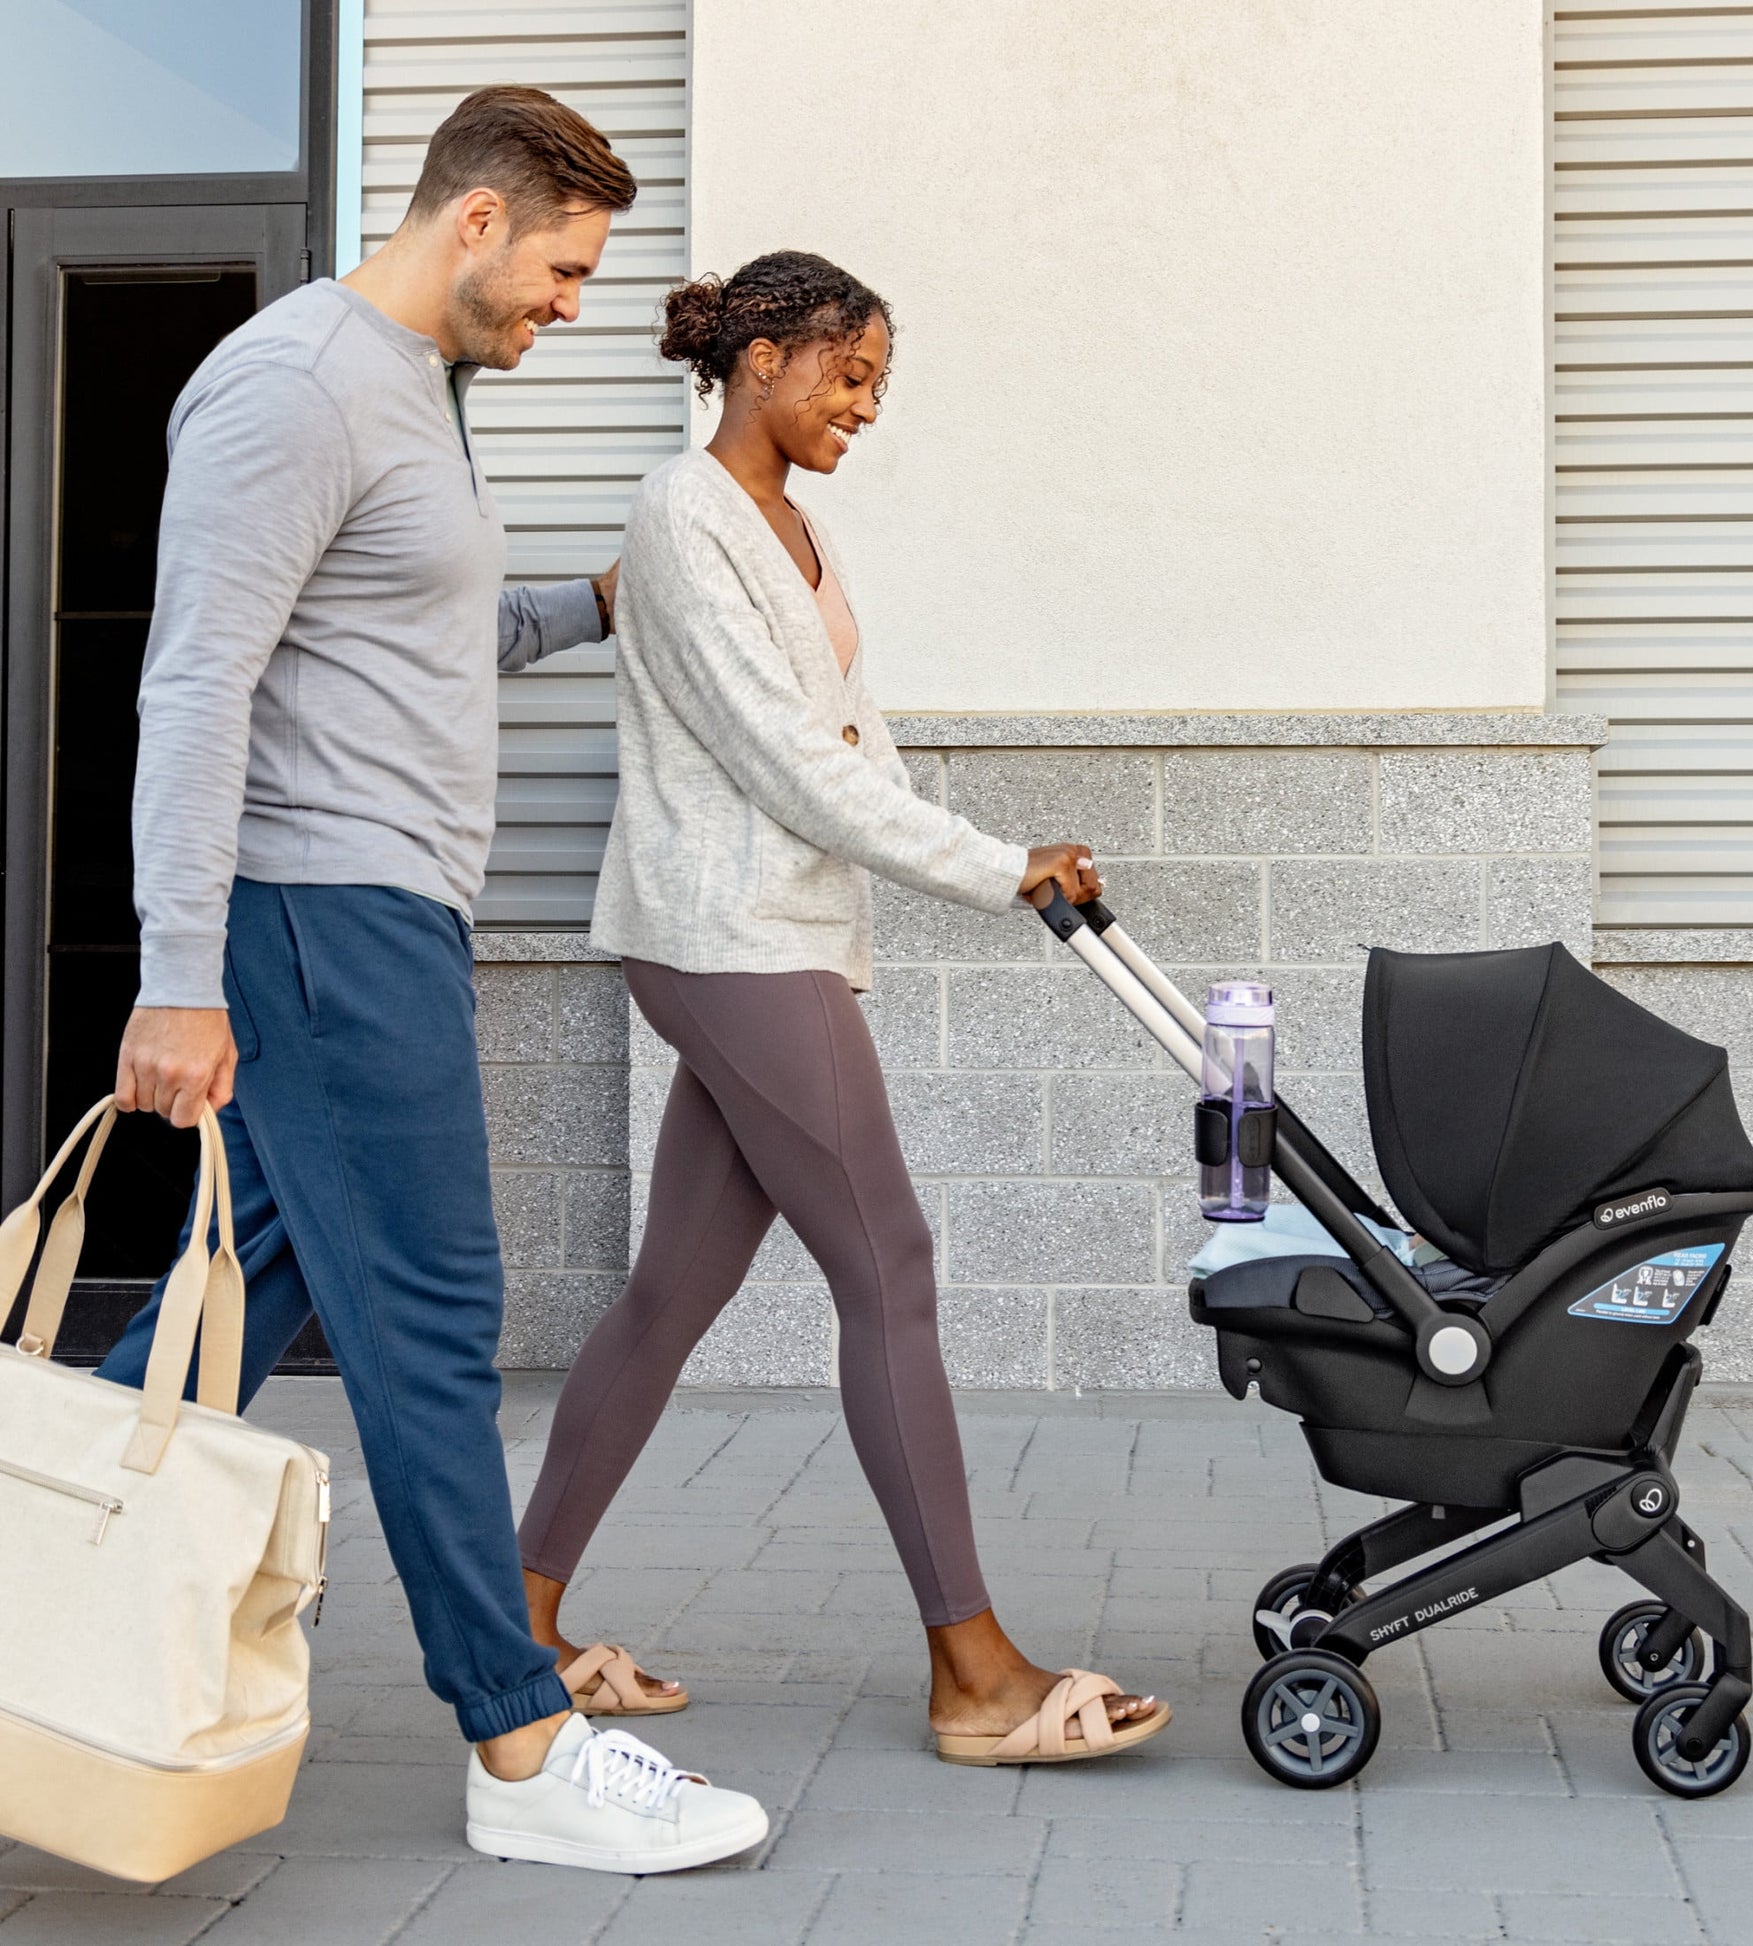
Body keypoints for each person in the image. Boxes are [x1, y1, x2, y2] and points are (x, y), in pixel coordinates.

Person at [104, 85, 766, 1873]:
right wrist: (180, 975)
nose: (567, 305)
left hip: (377, 915)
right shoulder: (297, 382)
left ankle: (37, 1604)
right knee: (435, 1322)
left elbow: (418, 626)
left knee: (229, 1307)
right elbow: (196, 683)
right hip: (320, 912)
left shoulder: (414, 394)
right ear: (474, 220)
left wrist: (599, 607)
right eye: (560, 269)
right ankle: (518, 1735)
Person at [516, 252, 1172, 1767]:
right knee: (895, 1267)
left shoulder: (789, 527)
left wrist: (992, 854)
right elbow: (785, 767)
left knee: (671, 1293)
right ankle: (974, 1672)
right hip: (736, 939)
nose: (864, 407)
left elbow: (848, 749)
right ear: (759, 356)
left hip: (770, 932)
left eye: (877, 383)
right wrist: (998, 869)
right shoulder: (683, 519)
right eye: (846, 374)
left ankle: (515, 1619)